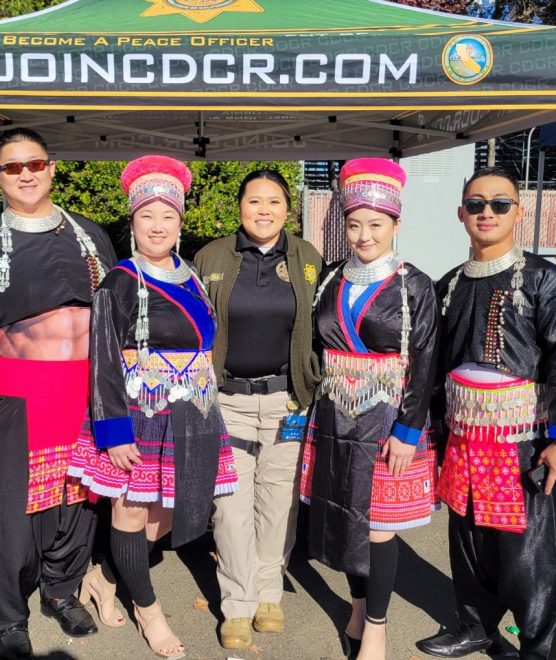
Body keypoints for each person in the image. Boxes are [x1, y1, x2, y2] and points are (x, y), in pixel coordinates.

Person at [0, 128, 116, 659]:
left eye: (35, 164)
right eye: (13, 167)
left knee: (76, 500)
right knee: (10, 512)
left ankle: (61, 591)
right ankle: (8, 614)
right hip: (13, 396)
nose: (26, 174)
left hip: (82, 395)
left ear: (51, 168)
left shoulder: (91, 236)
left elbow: (111, 320)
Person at [67, 154, 237, 659]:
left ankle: (100, 576)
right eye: (147, 216)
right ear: (133, 221)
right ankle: (150, 611)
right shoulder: (119, 281)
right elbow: (101, 359)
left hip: (190, 412)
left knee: (163, 518)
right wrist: (114, 432)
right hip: (138, 414)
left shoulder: (190, 277)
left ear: (181, 222)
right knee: (131, 513)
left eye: (168, 215)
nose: (157, 226)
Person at [416, 167, 556, 660]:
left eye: (499, 204)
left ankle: (536, 650)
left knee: (527, 557)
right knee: (469, 542)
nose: (486, 212)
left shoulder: (545, 283)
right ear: (461, 213)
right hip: (465, 438)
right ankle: (474, 627)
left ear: (518, 212)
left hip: (523, 441)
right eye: (476, 204)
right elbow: (435, 366)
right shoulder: (448, 285)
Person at [299, 158, 440, 660]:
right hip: (335, 412)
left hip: (385, 418)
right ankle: (357, 607)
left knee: (378, 525)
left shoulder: (414, 284)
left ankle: (376, 626)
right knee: (344, 516)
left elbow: (424, 362)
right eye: (354, 224)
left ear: (396, 224)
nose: (364, 235)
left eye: (376, 225)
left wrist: (408, 430)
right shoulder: (332, 277)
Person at [192, 168, 323, 650]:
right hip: (228, 401)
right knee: (229, 509)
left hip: (288, 401)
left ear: (288, 209)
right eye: (253, 201)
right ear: (239, 207)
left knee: (278, 505)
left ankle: (269, 593)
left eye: (273, 201)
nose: (263, 210)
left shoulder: (308, 258)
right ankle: (238, 604)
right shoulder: (211, 257)